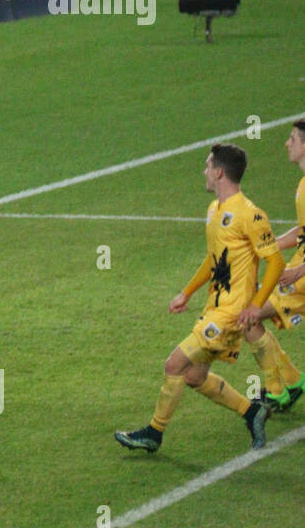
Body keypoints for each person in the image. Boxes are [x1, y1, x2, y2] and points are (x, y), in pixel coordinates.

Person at [115, 144, 281, 452]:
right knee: (193, 375)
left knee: (173, 365)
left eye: (207, 166)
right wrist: (187, 292)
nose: (204, 171)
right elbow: (214, 259)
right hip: (213, 307)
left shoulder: (250, 214)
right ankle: (251, 410)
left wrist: (257, 305)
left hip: (230, 314)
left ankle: (154, 433)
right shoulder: (214, 211)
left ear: (219, 172)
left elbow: (276, 262)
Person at [241, 120, 305, 411]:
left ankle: (282, 387)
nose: (286, 144)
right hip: (298, 275)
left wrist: (297, 271)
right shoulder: (303, 184)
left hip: (301, 279)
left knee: (246, 315)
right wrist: (270, 245)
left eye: (292, 139)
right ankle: (287, 383)